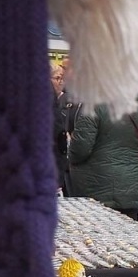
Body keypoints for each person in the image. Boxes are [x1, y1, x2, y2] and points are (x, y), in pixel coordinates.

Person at [70, 101, 138, 221]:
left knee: (98, 232)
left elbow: (80, 149)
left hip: (97, 185)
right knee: (129, 232)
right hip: (132, 183)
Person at [50, 62, 77, 198]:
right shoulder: (48, 99)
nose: (61, 82)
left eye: (62, 78)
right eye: (57, 78)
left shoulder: (70, 100)